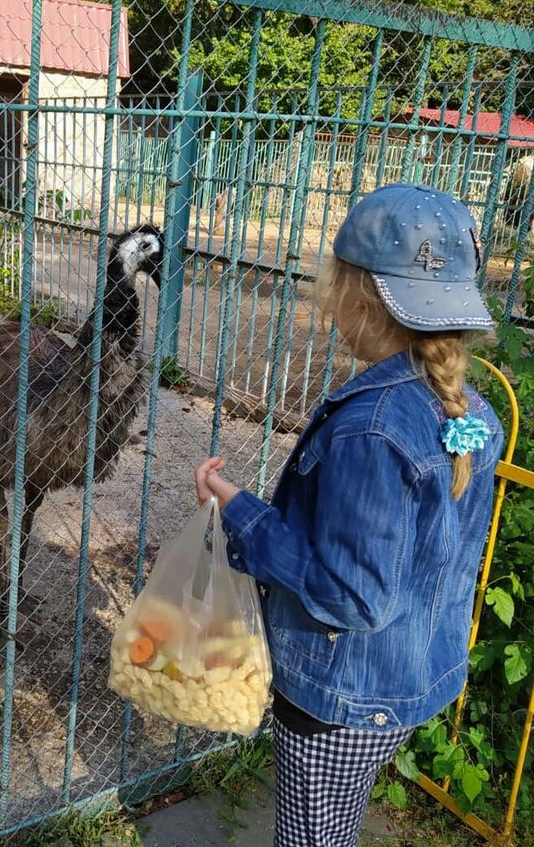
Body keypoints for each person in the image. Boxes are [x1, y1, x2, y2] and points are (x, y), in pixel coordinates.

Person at [194, 183, 504, 847]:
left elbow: (350, 594)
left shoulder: (372, 430)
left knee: (310, 838)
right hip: (408, 680)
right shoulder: (473, 416)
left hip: (340, 698)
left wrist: (238, 510)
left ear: (361, 300)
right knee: (333, 825)